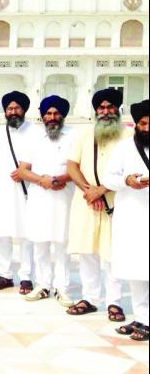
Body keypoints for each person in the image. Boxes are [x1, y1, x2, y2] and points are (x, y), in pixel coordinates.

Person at [66, 88, 131, 320]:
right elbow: (72, 166)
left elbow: (130, 172)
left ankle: (114, 302)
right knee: (87, 252)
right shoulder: (83, 134)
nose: (105, 112)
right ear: (95, 110)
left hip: (116, 203)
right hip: (85, 203)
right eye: (101, 108)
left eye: (109, 107)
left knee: (111, 254)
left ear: (118, 109)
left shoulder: (128, 137)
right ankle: (90, 298)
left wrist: (101, 191)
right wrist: (87, 190)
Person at [19, 96, 75, 306]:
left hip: (64, 196)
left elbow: (78, 168)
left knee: (62, 243)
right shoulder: (33, 137)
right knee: (40, 243)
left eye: (56, 113)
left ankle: (62, 288)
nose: (52, 117)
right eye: (48, 114)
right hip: (39, 197)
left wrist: (60, 179)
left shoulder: (73, 136)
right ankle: (42, 285)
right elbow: (23, 170)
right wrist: (43, 180)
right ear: (42, 116)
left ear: (63, 115)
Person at [0, 91, 37, 294]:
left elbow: (40, 159)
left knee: (26, 233)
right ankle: (5, 274)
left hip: (28, 189)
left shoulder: (35, 132)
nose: (13, 112)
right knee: (1, 232)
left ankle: (26, 277)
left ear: (24, 110)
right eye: (9, 109)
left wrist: (28, 172)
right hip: (1, 189)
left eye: (17, 108)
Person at [106, 100, 149, 341]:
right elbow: (108, 177)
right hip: (131, 217)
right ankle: (142, 318)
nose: (147, 129)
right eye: (143, 124)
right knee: (136, 269)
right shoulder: (124, 148)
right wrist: (127, 181)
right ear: (136, 124)